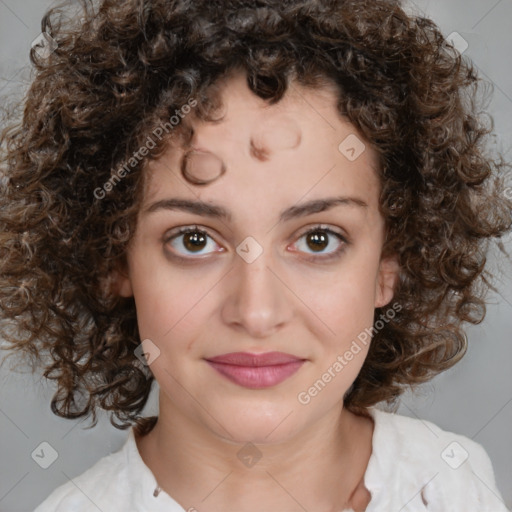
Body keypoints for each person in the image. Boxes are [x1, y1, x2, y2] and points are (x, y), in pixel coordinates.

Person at [0, 0, 511, 510]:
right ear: (111, 259)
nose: (257, 313)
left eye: (318, 240)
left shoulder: (451, 484)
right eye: (194, 240)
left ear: (388, 265)